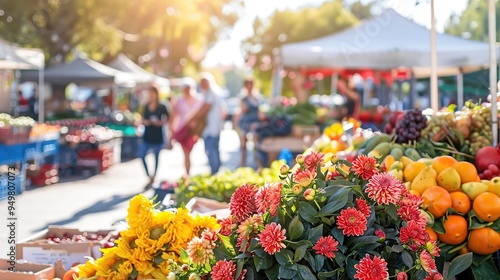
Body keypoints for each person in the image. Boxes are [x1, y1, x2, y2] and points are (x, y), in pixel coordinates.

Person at [171, 78, 204, 176]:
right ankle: (187, 173)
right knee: (186, 152)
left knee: (189, 151)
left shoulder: (199, 100)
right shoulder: (179, 101)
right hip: (182, 130)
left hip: (194, 131)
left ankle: (188, 173)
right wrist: (172, 130)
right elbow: (174, 116)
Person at [138, 85, 170, 187]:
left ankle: (154, 177)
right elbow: (142, 119)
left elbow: (168, 118)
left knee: (156, 156)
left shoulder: (162, 106)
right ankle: (149, 176)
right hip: (147, 134)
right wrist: (145, 122)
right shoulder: (146, 106)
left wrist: (160, 122)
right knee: (142, 155)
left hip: (157, 135)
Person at [199, 72, 227, 175]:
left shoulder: (210, 93)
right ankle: (217, 171)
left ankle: (214, 172)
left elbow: (205, 108)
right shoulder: (216, 92)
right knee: (215, 149)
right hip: (215, 127)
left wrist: (193, 118)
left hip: (211, 128)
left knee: (210, 150)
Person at [237, 78, 264, 168]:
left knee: (256, 145)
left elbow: (260, 111)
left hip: (255, 123)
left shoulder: (257, 98)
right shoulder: (243, 98)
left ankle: (259, 165)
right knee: (243, 146)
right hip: (245, 122)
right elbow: (243, 110)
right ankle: (242, 165)